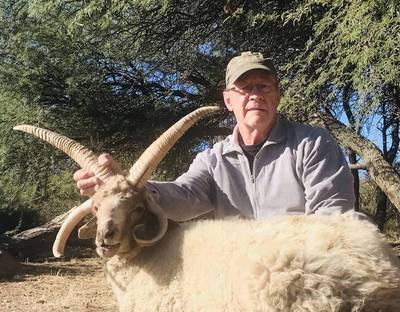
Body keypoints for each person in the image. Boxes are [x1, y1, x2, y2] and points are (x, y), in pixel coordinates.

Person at [74, 51, 355, 220]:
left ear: (277, 97)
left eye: (264, 86)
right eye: (244, 88)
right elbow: (182, 198)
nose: (255, 94)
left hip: (302, 270)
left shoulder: (312, 143)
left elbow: (333, 216)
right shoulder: (213, 160)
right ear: (228, 100)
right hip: (239, 276)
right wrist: (127, 187)